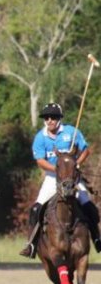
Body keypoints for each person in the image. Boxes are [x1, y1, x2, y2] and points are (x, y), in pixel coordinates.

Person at [20, 102, 101, 258]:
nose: (49, 120)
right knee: (36, 209)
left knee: (89, 206)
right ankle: (31, 244)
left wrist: (75, 164)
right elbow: (40, 161)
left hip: (72, 178)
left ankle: (97, 238)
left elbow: (86, 150)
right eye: (46, 117)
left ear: (59, 119)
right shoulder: (40, 137)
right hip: (52, 178)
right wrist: (58, 170)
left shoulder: (71, 132)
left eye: (53, 117)